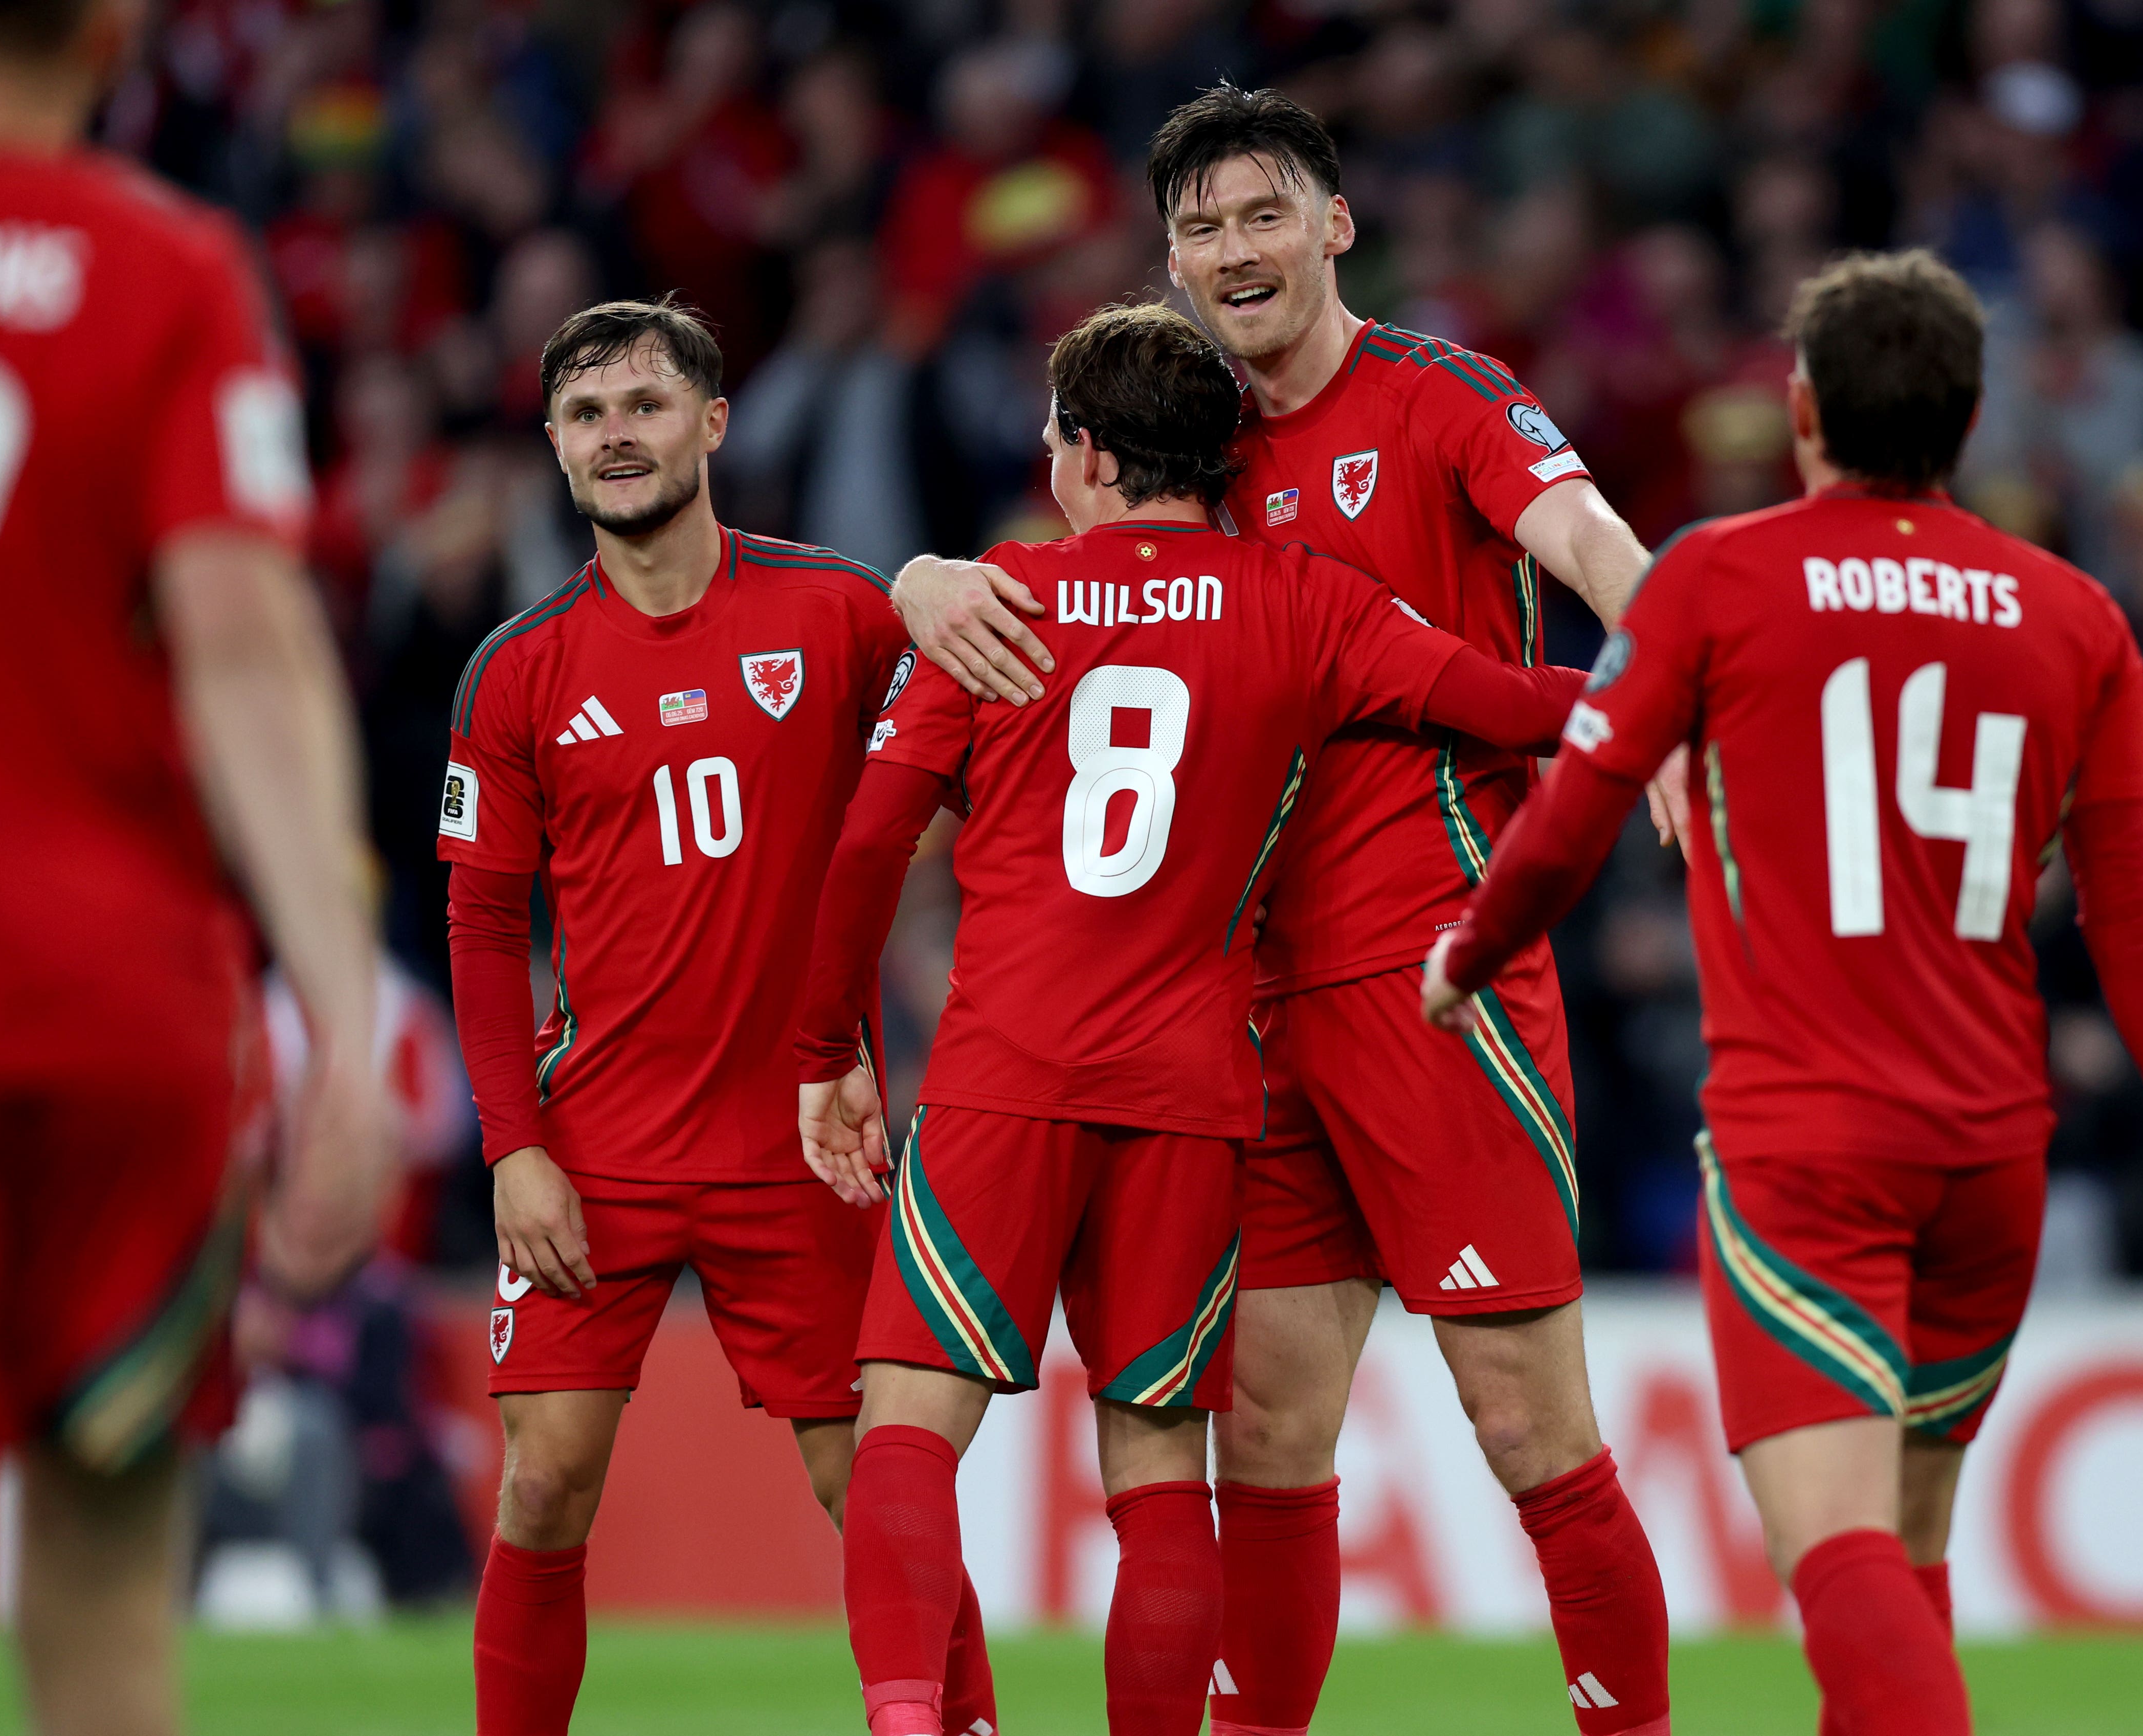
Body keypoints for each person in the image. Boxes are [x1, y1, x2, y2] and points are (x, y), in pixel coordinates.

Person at [891, 85, 1676, 1736]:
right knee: (1263, 1436)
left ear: (1332, 225)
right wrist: (915, 577)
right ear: (1170, 263)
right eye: (1199, 228)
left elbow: (1593, 540)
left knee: (1530, 1430)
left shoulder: (1441, 395)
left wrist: (1665, 696)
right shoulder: (1183, 443)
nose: (1232, 250)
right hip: (1233, 1016)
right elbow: (1046, 599)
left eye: (1262, 215)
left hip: (1433, 980)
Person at [1422, 251, 2143, 1736]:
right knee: (1907, 1552)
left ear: (1800, 407)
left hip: (1805, 1144)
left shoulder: (1715, 576)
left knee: (1837, 1556)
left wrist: (1471, 950)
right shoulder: (2073, 615)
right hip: (1992, 1152)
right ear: (1967, 417)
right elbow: (2135, 917)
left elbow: (1575, 811)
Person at [794, 301, 1589, 1736]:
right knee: (1160, 1459)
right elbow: (1518, 702)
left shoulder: (1002, 605)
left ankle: (912, 1719)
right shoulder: (1305, 598)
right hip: (1190, 1087)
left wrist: (827, 1053)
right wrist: (1679, 699)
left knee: (909, 1425)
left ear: (1087, 456)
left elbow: (864, 849)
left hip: (1004, 1068)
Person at [439, 298, 994, 1736]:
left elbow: (988, 748)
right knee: (545, 1482)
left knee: (869, 1480)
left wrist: (936, 579)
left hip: (799, 1138)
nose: (616, 434)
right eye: (586, 414)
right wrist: (512, 1146)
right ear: (558, 450)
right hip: (593, 1143)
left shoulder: (838, 613)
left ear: (712, 425)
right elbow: (487, 926)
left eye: (643, 404)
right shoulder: (515, 671)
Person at [0, 0, 393, 1730]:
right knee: (101, 1627)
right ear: (112, 30)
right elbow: (241, 639)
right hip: (117, 1014)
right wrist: (340, 1011)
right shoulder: (171, 275)